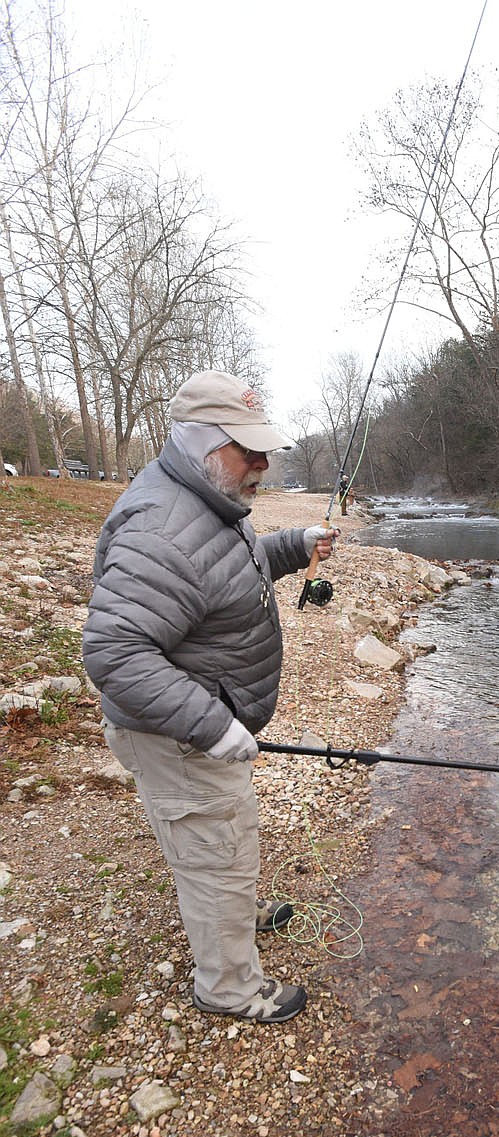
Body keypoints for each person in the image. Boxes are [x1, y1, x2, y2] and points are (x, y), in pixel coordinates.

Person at [82, 370, 338, 1023]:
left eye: (264, 449)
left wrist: (292, 547)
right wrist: (215, 728)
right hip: (179, 733)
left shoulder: (205, 497)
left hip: (197, 723)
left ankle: (230, 910)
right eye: (246, 449)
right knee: (215, 845)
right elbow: (113, 654)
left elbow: (226, 569)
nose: (262, 462)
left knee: (220, 840)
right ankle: (227, 987)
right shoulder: (163, 525)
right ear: (201, 444)